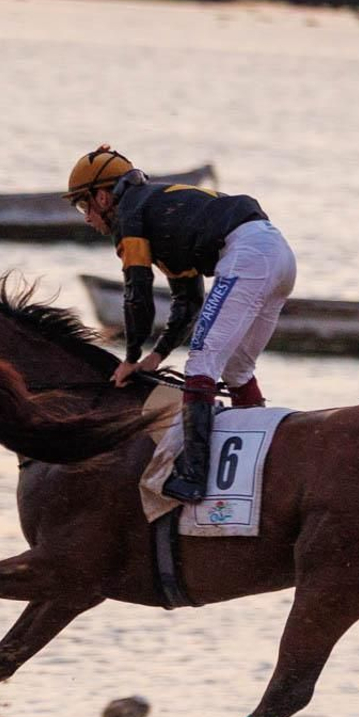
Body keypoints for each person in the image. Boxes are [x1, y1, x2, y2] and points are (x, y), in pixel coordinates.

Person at [65, 145, 296, 503]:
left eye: (84, 205)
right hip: (278, 254)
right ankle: (254, 457)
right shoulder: (159, 214)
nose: (86, 218)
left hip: (248, 255)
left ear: (103, 196)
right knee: (236, 369)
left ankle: (193, 475)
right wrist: (155, 356)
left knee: (202, 364)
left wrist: (128, 356)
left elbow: (136, 291)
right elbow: (187, 301)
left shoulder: (129, 217)